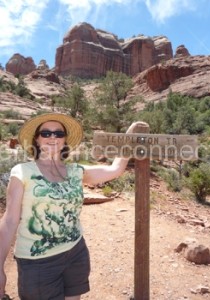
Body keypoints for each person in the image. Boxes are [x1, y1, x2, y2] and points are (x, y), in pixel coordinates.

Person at [0, 112, 144, 300]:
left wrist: (129, 135)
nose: (53, 137)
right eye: (46, 133)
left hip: (76, 253)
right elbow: (10, 220)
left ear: (65, 139)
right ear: (36, 139)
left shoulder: (76, 171)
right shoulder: (22, 172)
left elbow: (115, 169)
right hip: (37, 262)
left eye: (59, 134)